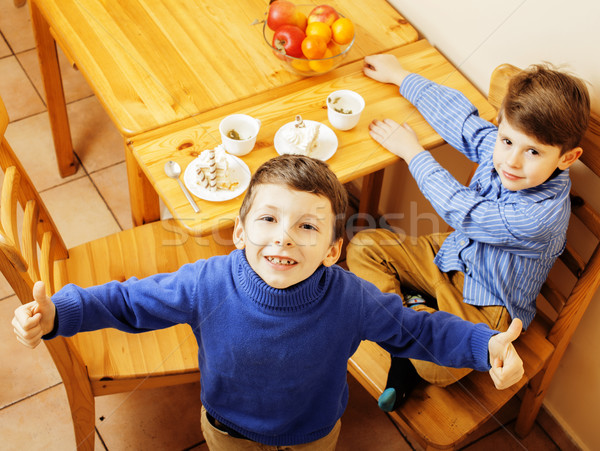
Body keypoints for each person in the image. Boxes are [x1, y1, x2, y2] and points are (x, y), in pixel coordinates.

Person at [12, 155, 524, 450]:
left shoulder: (352, 299)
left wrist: (487, 346)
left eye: (307, 226)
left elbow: (423, 331)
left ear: (332, 250)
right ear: (238, 231)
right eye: (268, 220)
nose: (284, 238)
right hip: (227, 431)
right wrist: (63, 312)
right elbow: (131, 303)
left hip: (315, 435)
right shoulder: (206, 283)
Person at [346, 54, 590, 411]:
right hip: (447, 256)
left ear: (567, 158)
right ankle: (415, 316)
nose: (512, 161)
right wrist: (401, 76)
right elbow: (459, 120)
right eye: (507, 141)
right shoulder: (502, 149)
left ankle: (410, 329)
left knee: (435, 368)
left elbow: (463, 210)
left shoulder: (540, 216)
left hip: (486, 303)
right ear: (500, 125)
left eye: (533, 152)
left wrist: (413, 152)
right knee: (364, 244)